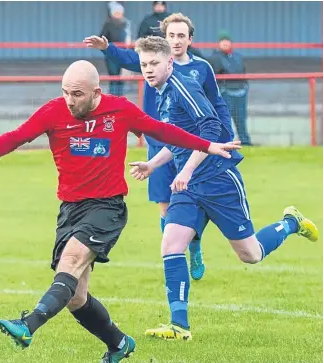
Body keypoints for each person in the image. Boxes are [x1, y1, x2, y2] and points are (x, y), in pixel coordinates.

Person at [0, 60, 241, 361]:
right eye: (66, 92)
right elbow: (19, 135)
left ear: (96, 92)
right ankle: (119, 344)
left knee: (71, 260)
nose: (70, 100)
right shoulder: (54, 111)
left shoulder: (119, 110)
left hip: (107, 207)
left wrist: (207, 145)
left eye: (77, 94)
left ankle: (28, 324)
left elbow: (163, 131)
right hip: (70, 210)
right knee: (76, 297)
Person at [128, 36, 319, 341]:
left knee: (251, 255)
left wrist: (187, 169)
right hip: (188, 186)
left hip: (217, 180)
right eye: (143, 65)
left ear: (169, 63)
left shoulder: (182, 87)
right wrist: (153, 165)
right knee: (171, 245)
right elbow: (181, 141)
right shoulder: (162, 93)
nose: (148, 70)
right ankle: (179, 326)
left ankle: (291, 222)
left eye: (153, 64)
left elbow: (211, 128)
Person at [84, 13, 234, 282]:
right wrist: (107, 48)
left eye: (180, 36)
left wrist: (224, 134)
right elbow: (129, 59)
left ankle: (194, 245)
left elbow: (217, 104)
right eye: (171, 35)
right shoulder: (152, 64)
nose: (175, 41)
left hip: (193, 149)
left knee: (192, 200)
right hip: (160, 145)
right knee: (165, 205)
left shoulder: (201, 68)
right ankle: (175, 254)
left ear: (190, 39)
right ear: (163, 40)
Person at [209, 30, 252, 145]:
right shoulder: (214, 58)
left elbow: (242, 72)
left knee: (241, 118)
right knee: (224, 119)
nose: (225, 44)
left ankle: (245, 141)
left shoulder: (238, 57)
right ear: (219, 43)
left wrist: (245, 87)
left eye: (227, 41)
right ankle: (226, 142)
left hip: (240, 91)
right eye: (223, 41)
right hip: (225, 91)